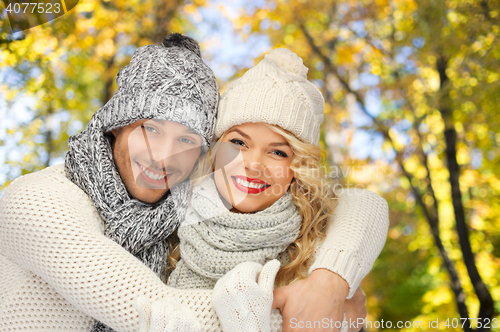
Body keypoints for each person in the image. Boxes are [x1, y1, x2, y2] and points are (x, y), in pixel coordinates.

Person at [0, 35, 386, 332]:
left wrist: (329, 282)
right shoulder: (38, 200)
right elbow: (156, 311)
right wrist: (312, 310)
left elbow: (362, 204)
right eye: (150, 129)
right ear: (114, 125)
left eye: (186, 140)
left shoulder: (171, 213)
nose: (164, 156)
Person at [136, 48, 390, 332]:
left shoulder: (315, 250)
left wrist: (330, 285)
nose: (253, 165)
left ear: (298, 168)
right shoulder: (166, 223)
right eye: (239, 143)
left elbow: (366, 203)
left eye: (278, 153)